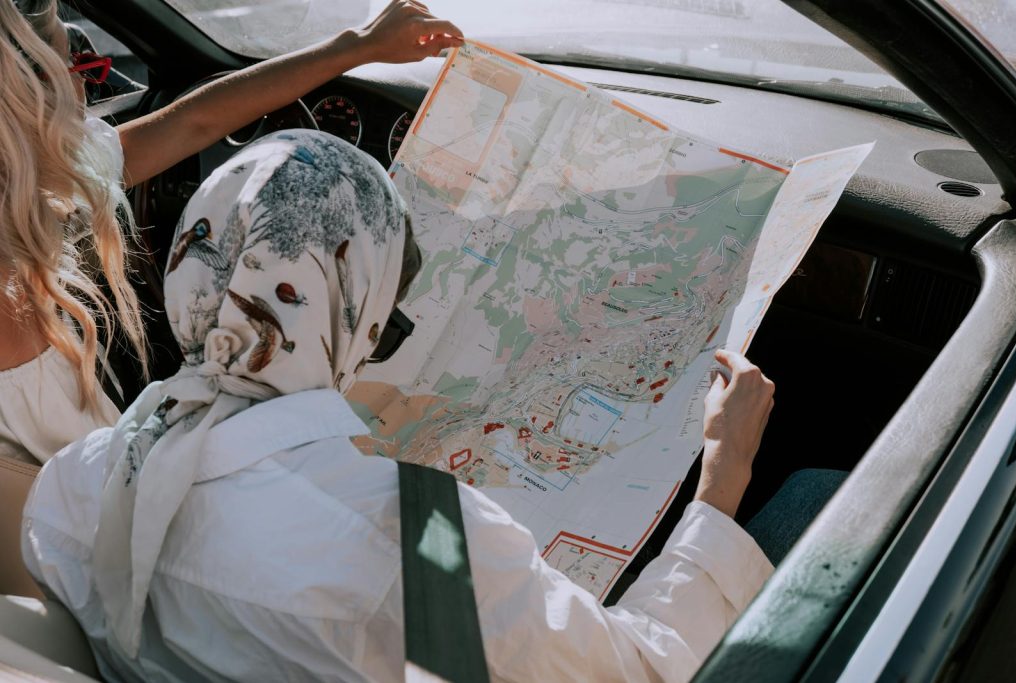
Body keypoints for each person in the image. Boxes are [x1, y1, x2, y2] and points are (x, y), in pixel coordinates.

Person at [22, 130, 777, 682]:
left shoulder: (73, 487)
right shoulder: (419, 538)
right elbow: (643, 670)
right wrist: (724, 474)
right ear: (357, 321)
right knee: (818, 494)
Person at [0, 0, 463, 465]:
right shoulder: (11, 310)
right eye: (80, 64)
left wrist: (357, 48)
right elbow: (95, 497)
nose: (87, 82)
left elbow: (190, 122)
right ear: (24, 93)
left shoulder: (43, 178)